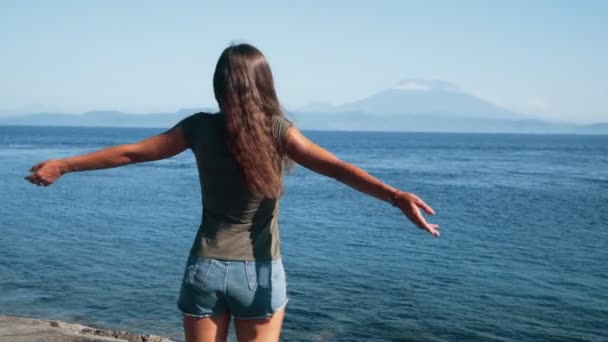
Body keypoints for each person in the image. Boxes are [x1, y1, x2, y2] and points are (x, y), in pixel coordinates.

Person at [25, 43, 439, 342]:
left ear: (220, 84)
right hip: (260, 272)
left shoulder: (199, 128)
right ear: (264, 84)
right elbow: (336, 169)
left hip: (205, 268)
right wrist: (394, 196)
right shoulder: (279, 131)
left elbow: (131, 154)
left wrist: (63, 165)